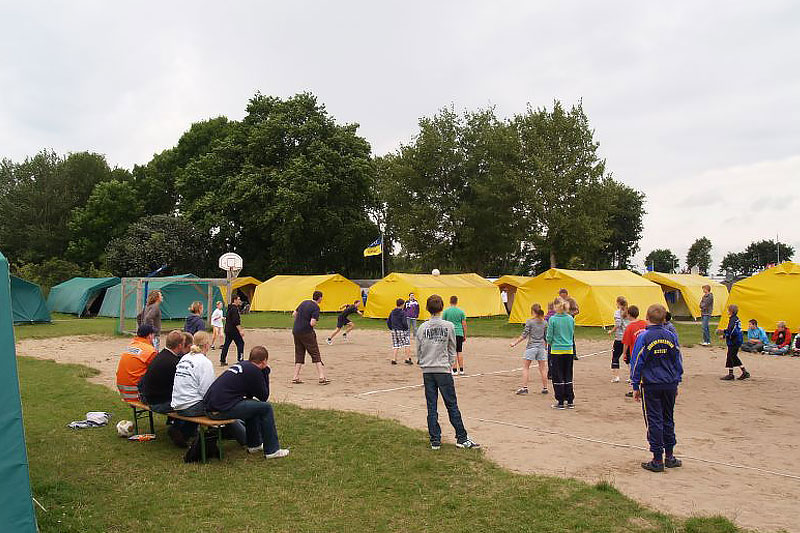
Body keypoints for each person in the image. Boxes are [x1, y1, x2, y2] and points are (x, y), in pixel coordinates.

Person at [417, 294, 480, 450]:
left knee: (432, 405)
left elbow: (419, 348)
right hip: (442, 370)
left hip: (429, 370)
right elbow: (453, 347)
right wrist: (450, 363)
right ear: (442, 308)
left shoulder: (423, 327)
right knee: (451, 404)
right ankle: (461, 438)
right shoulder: (447, 326)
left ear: (427, 308)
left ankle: (435, 440)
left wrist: (423, 362)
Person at [205, 346, 289, 459]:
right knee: (266, 408)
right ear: (264, 361)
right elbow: (264, 396)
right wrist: (265, 372)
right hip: (219, 410)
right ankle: (272, 450)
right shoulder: (254, 370)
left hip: (213, 406)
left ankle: (255, 444)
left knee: (253, 406)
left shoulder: (244, 365)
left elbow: (250, 395)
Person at [630, 304, 683, 472]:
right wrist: (677, 380)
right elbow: (678, 361)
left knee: (655, 420)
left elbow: (637, 361)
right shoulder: (671, 336)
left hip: (652, 384)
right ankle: (669, 456)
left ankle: (658, 459)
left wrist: (635, 384)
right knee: (668, 418)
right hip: (669, 383)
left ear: (647, 317)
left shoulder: (644, 337)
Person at [171, 331, 216, 417]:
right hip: (191, 406)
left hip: (178, 404)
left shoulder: (185, 357)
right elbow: (207, 391)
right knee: (227, 407)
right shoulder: (204, 362)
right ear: (206, 345)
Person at [291, 291, 329, 384]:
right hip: (306, 332)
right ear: (319, 298)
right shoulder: (316, 307)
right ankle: (321, 377)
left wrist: (301, 321)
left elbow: (294, 314)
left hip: (296, 331)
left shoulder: (304, 302)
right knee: (315, 353)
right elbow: (312, 323)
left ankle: (295, 377)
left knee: (299, 353)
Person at [510, 304, 548, 395]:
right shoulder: (545, 322)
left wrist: (514, 343)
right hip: (541, 347)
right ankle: (545, 388)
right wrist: (545, 347)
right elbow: (546, 337)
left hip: (531, 347)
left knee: (526, 367)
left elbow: (524, 335)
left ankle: (525, 387)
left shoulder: (530, 322)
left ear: (533, 311)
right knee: (542, 369)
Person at [116, 324, 158, 403]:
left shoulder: (131, 346)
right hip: (136, 394)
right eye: (153, 335)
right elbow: (157, 372)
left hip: (123, 391)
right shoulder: (150, 351)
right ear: (149, 336)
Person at [547, 298, 576, 409]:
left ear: (555, 307)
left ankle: (560, 401)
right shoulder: (570, 318)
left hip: (557, 351)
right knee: (568, 375)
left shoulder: (553, 319)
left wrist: (549, 343)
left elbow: (549, 335)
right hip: (569, 350)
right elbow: (571, 332)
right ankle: (570, 400)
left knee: (558, 376)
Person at [621, 305, 647, 398]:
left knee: (635, 371)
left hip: (635, 353)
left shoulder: (630, 327)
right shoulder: (644, 323)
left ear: (628, 315)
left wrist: (624, 353)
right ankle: (645, 389)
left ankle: (636, 390)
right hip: (646, 351)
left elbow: (626, 343)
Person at [720, 304, 750, 380]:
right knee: (732, 356)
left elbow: (732, 331)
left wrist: (725, 335)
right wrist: (724, 331)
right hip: (736, 340)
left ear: (731, 311)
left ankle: (734, 374)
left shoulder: (733, 320)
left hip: (734, 341)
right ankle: (741, 372)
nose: (727, 311)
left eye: (728, 310)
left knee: (731, 356)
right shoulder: (735, 319)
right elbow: (731, 329)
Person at [442, 295, 467, 375]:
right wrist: (464, 334)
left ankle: (455, 370)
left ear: (450, 301)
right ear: (456, 302)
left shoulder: (446, 311)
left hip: (450, 333)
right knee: (459, 351)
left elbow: (443, 323)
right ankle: (462, 369)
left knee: (452, 352)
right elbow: (464, 324)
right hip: (459, 332)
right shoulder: (461, 311)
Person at [607, 296, 629, 383]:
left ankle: (616, 377)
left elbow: (618, 324)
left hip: (620, 338)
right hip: (628, 337)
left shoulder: (618, 313)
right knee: (628, 357)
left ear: (618, 303)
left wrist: (611, 331)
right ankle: (631, 376)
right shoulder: (629, 311)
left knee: (615, 357)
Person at [220, 296, 244, 366]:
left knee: (226, 345)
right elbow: (236, 321)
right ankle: (240, 359)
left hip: (228, 329)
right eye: (238, 299)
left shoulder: (229, 308)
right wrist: (240, 330)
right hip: (233, 330)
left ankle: (222, 360)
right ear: (235, 300)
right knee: (240, 343)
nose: (240, 301)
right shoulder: (234, 309)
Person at [387, 298, 412, 365]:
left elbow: (388, 321)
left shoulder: (392, 312)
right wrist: (406, 328)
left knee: (396, 345)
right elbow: (404, 322)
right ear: (402, 304)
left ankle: (394, 359)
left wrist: (391, 328)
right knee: (407, 343)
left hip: (393, 330)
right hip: (401, 330)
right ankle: (407, 358)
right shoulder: (403, 312)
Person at [558, 288, 580, 360]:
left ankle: (573, 354)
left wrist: (569, 315)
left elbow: (577, 311)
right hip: (560, 321)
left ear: (566, 294)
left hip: (569, 321)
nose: (562, 298)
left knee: (570, 336)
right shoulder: (558, 301)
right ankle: (561, 353)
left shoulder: (572, 301)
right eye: (561, 296)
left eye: (563, 296)